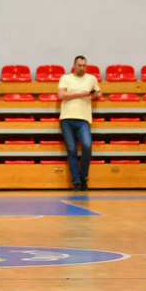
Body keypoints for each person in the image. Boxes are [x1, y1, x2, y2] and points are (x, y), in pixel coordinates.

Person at [58, 56, 102, 190]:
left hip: (83, 119)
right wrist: (79, 94)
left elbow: (98, 92)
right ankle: (76, 182)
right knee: (71, 150)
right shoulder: (65, 78)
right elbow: (61, 95)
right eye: (79, 65)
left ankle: (83, 177)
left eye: (84, 66)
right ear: (74, 65)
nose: (82, 68)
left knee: (87, 146)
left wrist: (95, 95)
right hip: (67, 118)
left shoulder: (91, 79)